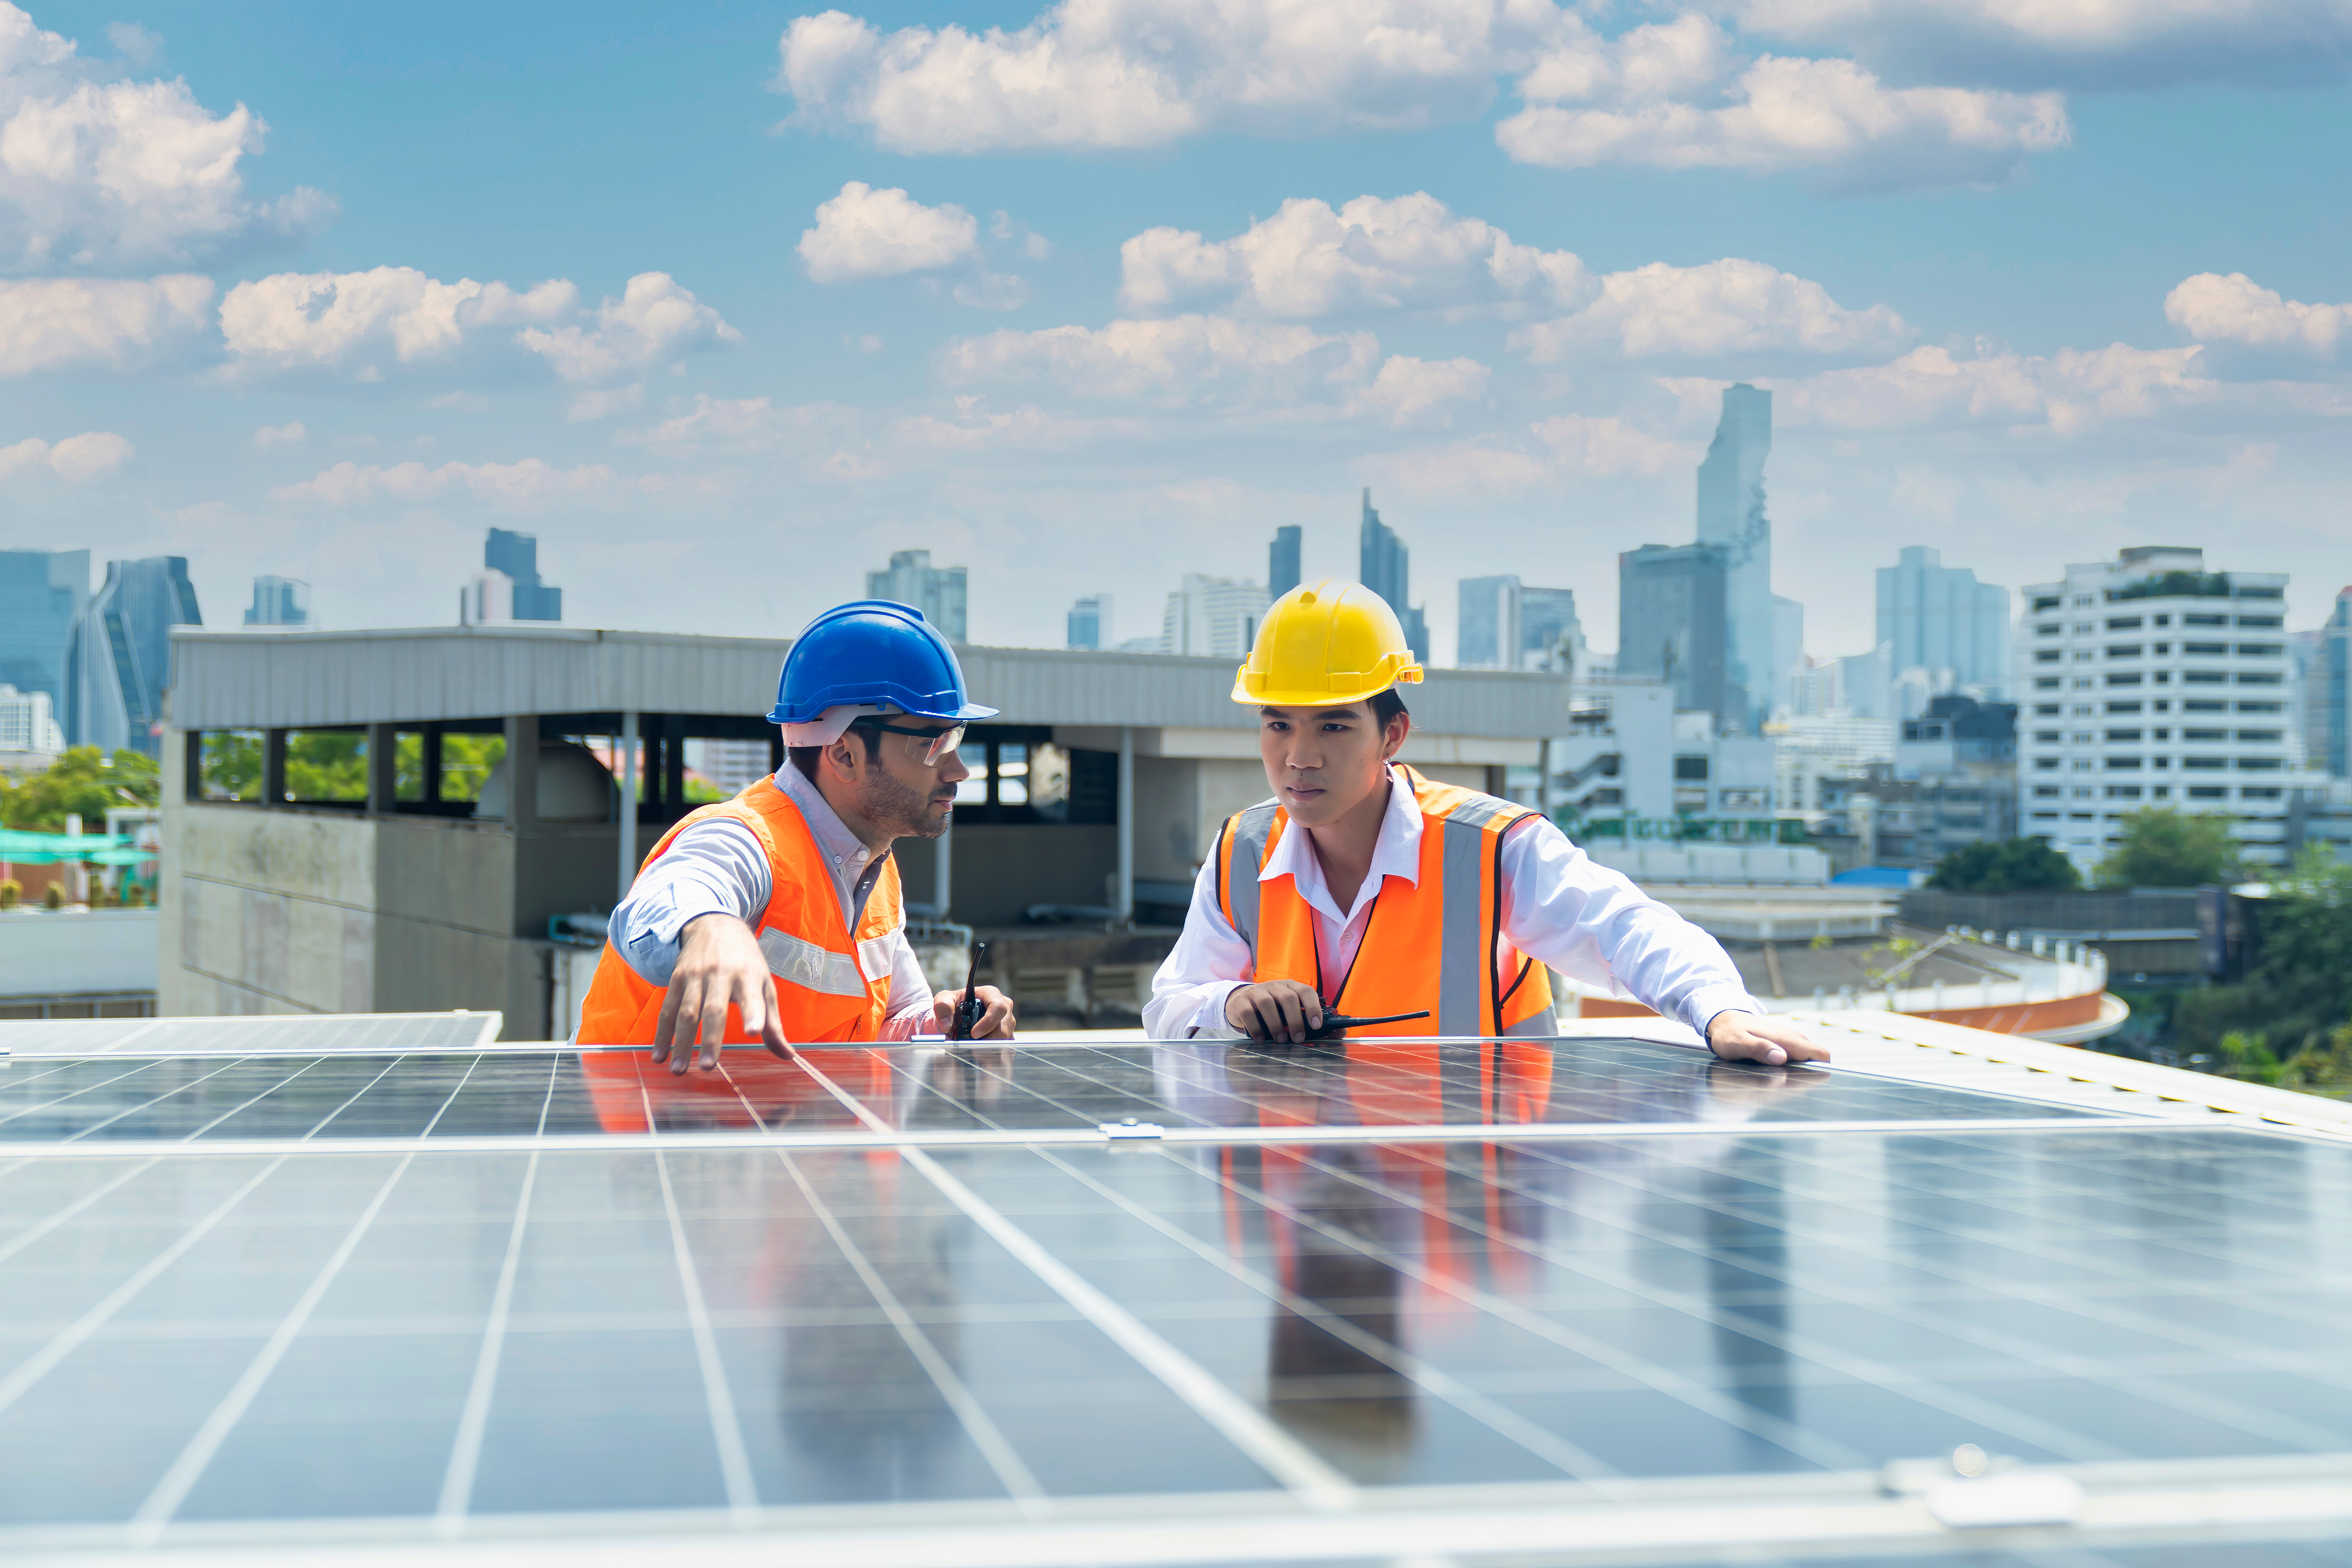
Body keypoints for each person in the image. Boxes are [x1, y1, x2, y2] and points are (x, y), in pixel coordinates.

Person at [1143, 579, 1827, 1067]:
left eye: (1334, 725)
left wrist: (1721, 1010)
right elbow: (1169, 1008)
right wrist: (1233, 1004)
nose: (1299, 756)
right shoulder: (1241, 851)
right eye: (1278, 725)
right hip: (1303, 1200)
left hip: (1474, 1196)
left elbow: (1625, 930)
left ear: (1392, 735)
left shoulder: (1490, 847)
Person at [577, 599, 1015, 1072]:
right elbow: (665, 897)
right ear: (844, 754)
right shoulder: (748, 838)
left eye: (957, 739)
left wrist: (948, 1022)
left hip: (770, 1140)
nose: (960, 770)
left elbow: (891, 1019)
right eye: (933, 743)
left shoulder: (875, 869)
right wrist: (711, 926)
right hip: (644, 1141)